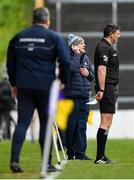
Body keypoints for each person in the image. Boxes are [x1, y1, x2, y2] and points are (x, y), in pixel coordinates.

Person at [6, 7, 71, 173]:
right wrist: (63, 81)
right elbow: (65, 61)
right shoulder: (54, 37)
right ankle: (46, 163)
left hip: (24, 87)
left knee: (22, 123)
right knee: (45, 125)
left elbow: (10, 65)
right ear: (47, 20)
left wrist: (14, 85)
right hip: (46, 88)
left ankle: (14, 160)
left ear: (33, 20)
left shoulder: (17, 38)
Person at [64, 34, 94, 160]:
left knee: (82, 125)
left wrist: (88, 74)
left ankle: (81, 153)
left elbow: (92, 77)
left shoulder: (86, 58)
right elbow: (70, 69)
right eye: (81, 43)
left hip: (84, 97)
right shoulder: (67, 57)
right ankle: (71, 153)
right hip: (72, 96)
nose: (84, 45)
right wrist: (76, 54)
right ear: (74, 46)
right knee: (72, 125)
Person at [94, 24, 121, 164]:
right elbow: (101, 70)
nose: (119, 36)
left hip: (110, 88)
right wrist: (102, 89)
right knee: (105, 121)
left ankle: (101, 156)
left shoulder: (108, 48)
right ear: (111, 34)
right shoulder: (104, 47)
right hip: (107, 88)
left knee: (108, 121)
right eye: (117, 33)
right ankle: (99, 157)